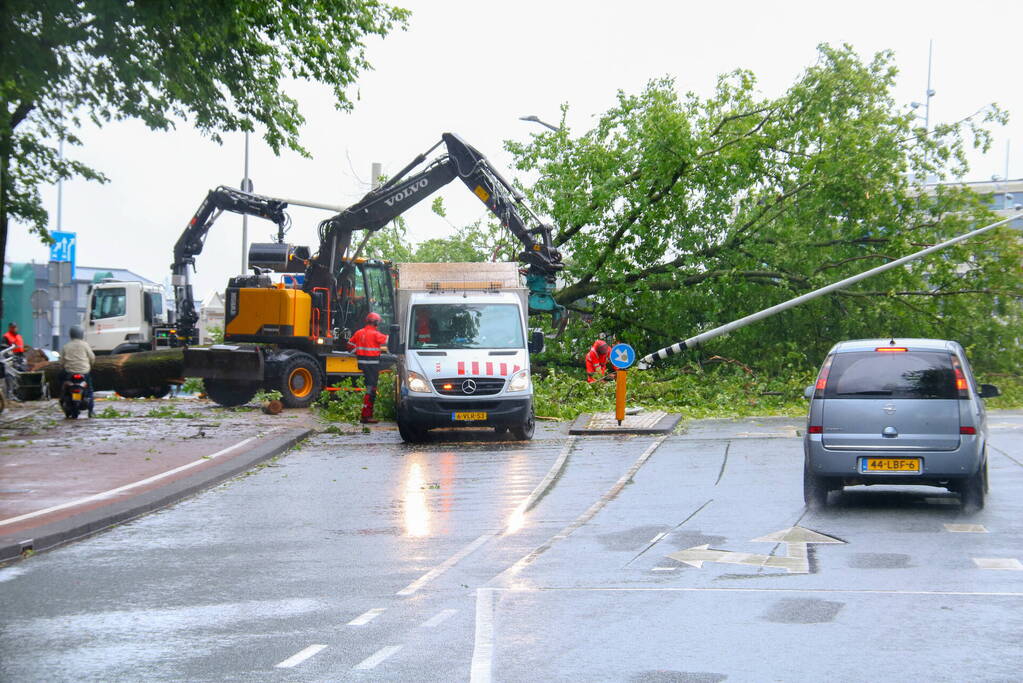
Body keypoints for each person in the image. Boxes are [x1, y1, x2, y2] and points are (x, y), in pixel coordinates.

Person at [348, 312, 388, 424]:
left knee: (369, 389)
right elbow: (387, 340)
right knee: (371, 390)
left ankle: (366, 415)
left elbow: (349, 344)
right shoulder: (376, 334)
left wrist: (357, 350)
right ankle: (366, 415)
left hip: (363, 364)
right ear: (375, 323)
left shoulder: (359, 333)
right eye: (378, 323)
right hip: (372, 365)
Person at [60, 324, 96, 417]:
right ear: (81, 334)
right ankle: (91, 411)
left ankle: (64, 401)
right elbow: (92, 357)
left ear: (71, 334)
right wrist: (90, 366)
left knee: (63, 386)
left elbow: (62, 361)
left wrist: (63, 367)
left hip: (70, 373)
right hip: (84, 372)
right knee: (90, 390)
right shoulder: (85, 345)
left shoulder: (66, 346)